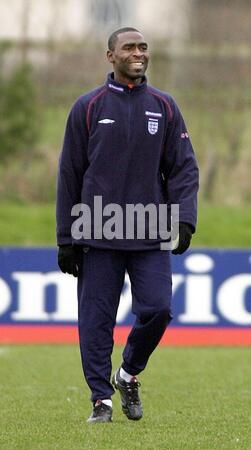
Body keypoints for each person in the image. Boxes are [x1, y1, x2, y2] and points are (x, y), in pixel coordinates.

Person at [56, 27, 199, 424]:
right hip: (96, 230)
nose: (138, 53)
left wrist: (184, 218)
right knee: (96, 319)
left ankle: (128, 373)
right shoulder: (87, 107)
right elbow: (70, 174)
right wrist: (65, 237)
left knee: (159, 309)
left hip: (150, 230)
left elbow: (184, 168)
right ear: (110, 57)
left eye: (143, 47)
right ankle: (100, 399)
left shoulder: (165, 107)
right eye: (129, 48)